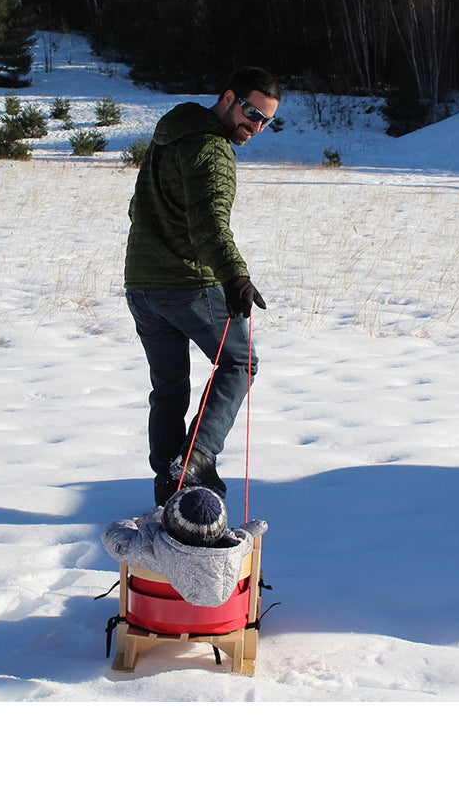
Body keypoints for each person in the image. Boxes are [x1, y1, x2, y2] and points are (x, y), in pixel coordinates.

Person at [124, 66, 283, 507]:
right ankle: (195, 461)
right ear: (229, 98)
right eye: (251, 112)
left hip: (141, 285)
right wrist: (235, 276)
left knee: (170, 387)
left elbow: (139, 207)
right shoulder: (212, 150)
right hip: (187, 285)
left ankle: (167, 489)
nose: (255, 126)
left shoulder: (170, 133)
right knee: (240, 362)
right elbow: (210, 222)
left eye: (265, 121)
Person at [101, 486, 268, 607]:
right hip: (224, 624)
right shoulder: (234, 552)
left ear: (169, 522)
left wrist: (144, 522)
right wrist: (246, 533)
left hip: (156, 620)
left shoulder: (148, 547)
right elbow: (243, 541)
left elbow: (114, 537)